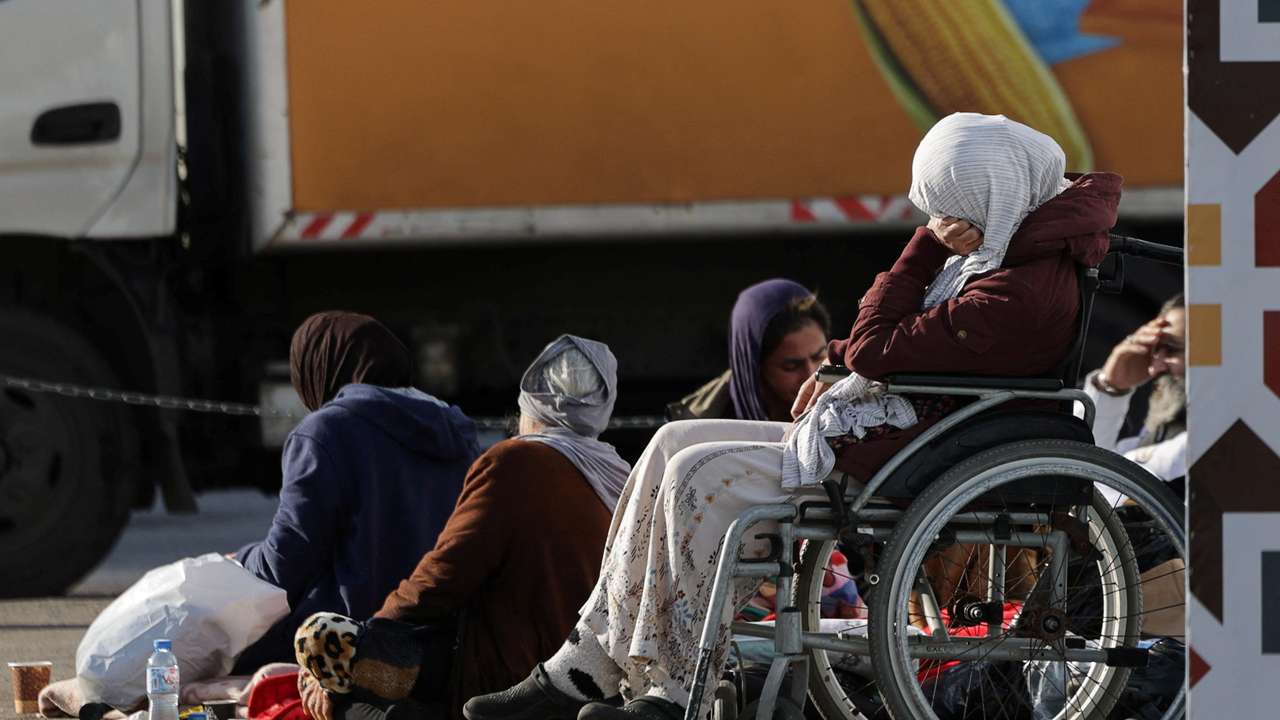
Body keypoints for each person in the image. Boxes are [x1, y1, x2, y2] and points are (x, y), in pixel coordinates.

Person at [462, 113, 1118, 720]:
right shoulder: (1015, 263)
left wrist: (920, 249)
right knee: (669, 442)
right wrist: (840, 369)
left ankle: (674, 687)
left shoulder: (1016, 289)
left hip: (906, 451)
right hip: (902, 430)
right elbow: (885, 353)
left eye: (952, 207)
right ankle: (584, 662)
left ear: (999, 193)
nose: (943, 219)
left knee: (697, 472)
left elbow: (874, 346)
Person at [295, 335, 630, 720]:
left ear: (529, 405)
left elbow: (443, 577)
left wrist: (372, 637)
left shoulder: (516, 461)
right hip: (592, 685)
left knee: (322, 637)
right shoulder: (620, 474)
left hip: (509, 683)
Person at [232, 311, 481, 673]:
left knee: (219, 645)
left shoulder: (326, 431)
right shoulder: (455, 428)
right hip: (441, 636)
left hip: (351, 636)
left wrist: (237, 562)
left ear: (319, 367)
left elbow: (285, 567)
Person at [667, 280, 831, 423]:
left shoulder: (851, 396)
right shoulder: (701, 428)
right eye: (790, 367)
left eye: (819, 357)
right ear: (755, 368)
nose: (812, 374)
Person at [1083, 294, 1186, 493]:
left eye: (1173, 349)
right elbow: (1077, 474)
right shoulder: (1158, 438)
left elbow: (1103, 487)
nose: (1156, 366)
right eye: (1156, 348)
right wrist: (1110, 387)